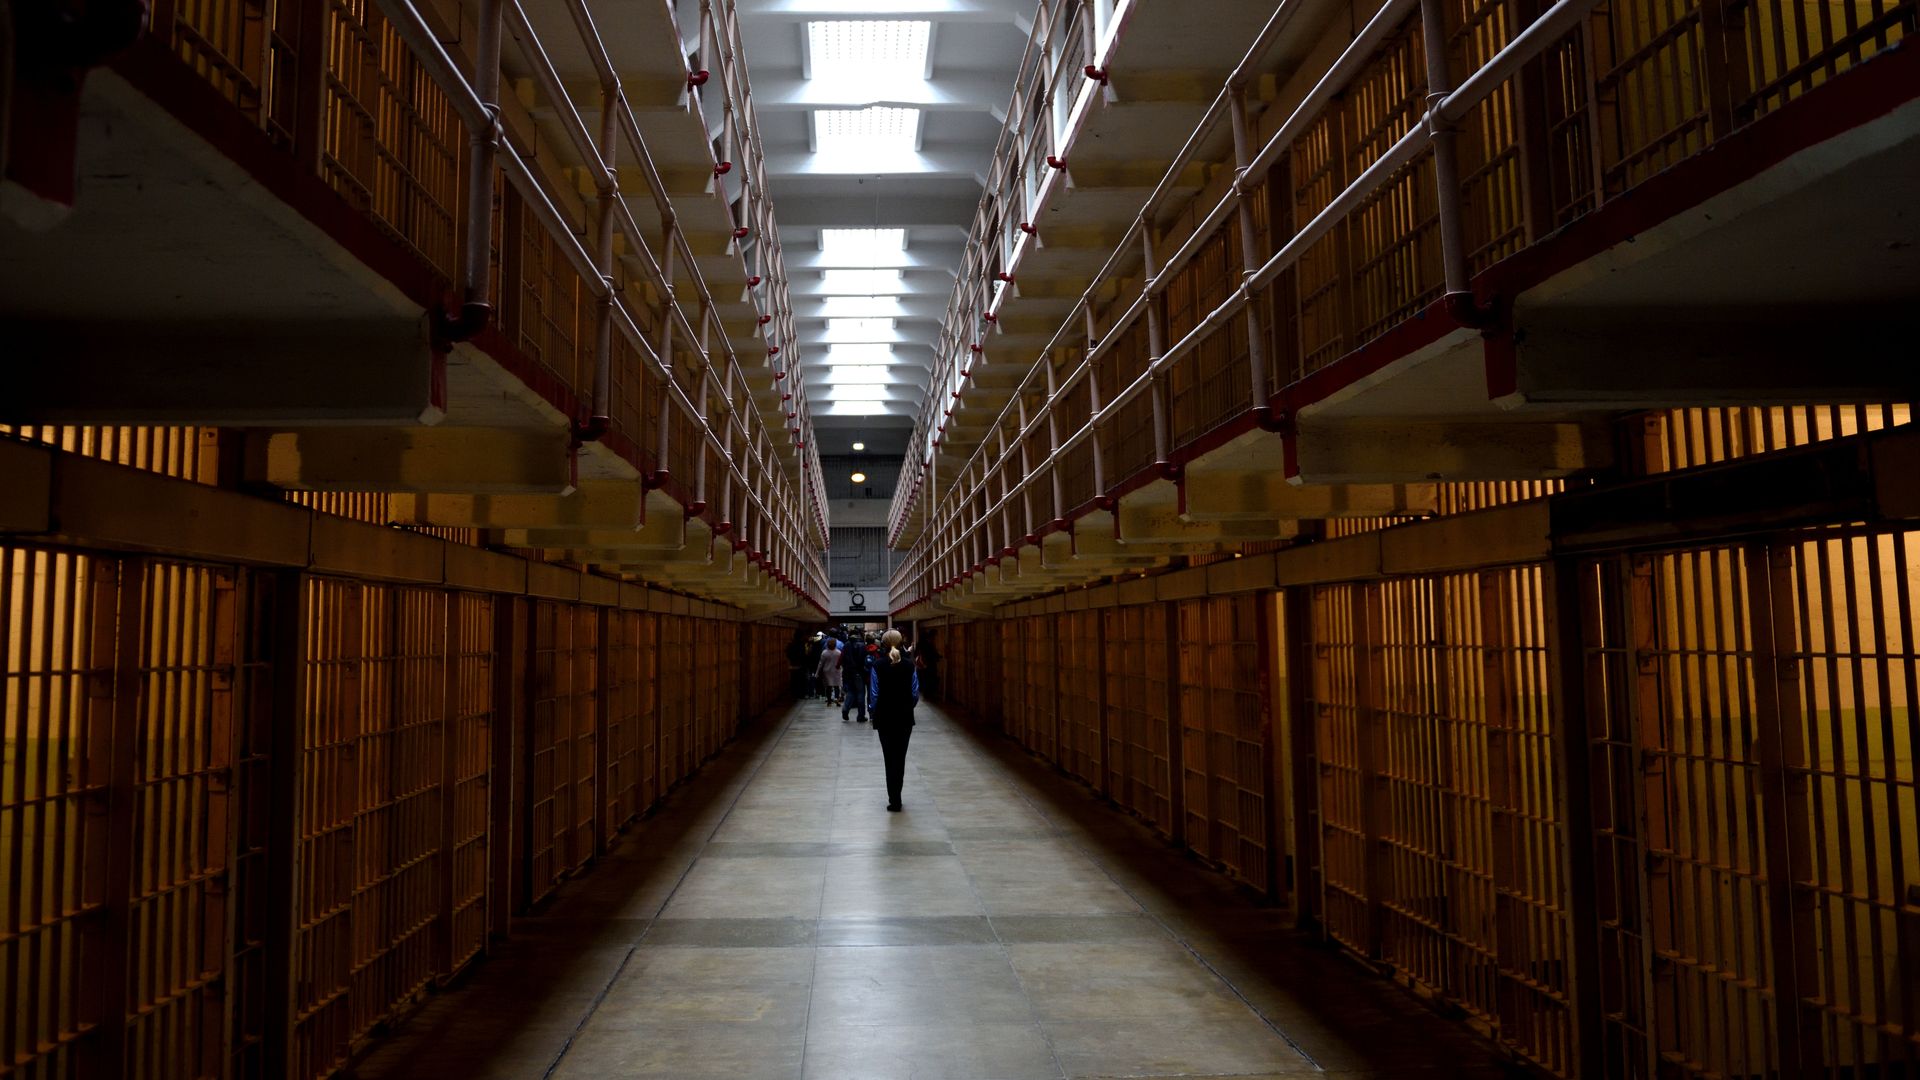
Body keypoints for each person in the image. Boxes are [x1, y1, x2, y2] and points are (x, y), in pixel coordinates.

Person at [867, 628, 920, 812]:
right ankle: (898, 794)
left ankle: (894, 799)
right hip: (904, 717)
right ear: (901, 643)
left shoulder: (877, 665)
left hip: (884, 717)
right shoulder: (910, 665)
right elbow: (914, 694)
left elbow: (874, 694)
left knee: (889, 759)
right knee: (900, 758)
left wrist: (874, 712)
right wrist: (906, 707)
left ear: (883, 644)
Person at [839, 633, 871, 723]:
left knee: (851, 691)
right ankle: (860, 715)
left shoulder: (846, 645)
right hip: (859, 673)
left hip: (849, 673)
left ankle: (845, 708)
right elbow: (865, 661)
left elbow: (842, 659)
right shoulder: (862, 646)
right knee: (860, 693)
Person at [816, 636, 843, 705]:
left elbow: (820, 663)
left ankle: (829, 701)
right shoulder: (838, 652)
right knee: (837, 686)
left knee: (828, 686)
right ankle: (837, 698)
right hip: (836, 671)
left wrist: (817, 673)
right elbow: (841, 662)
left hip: (827, 671)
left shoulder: (824, 653)